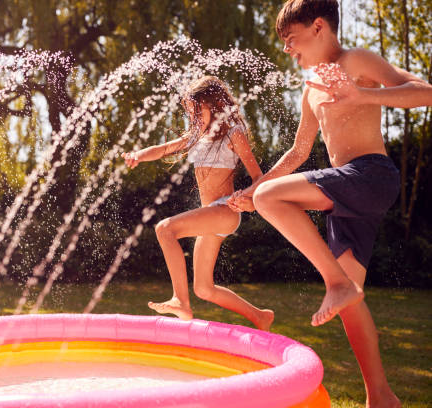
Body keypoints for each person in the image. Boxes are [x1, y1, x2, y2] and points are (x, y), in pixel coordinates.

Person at [228, 0, 432, 406]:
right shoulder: (311, 89)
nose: (287, 49)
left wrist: (362, 96)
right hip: (351, 193)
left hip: (371, 175)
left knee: (276, 202)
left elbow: (425, 93)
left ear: (318, 26)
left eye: (291, 38)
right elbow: (298, 152)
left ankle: (336, 284)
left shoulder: (355, 59)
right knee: (351, 300)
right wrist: (254, 189)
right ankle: (381, 396)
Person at [121, 76, 274, 331]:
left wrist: (245, 196)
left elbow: (259, 177)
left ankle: (180, 300)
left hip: (225, 209)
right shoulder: (198, 135)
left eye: (197, 112)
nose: (194, 119)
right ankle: (260, 316)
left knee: (165, 229)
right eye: (190, 114)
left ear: (214, 105)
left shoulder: (233, 133)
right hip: (210, 214)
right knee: (204, 288)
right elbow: (164, 148)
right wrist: (139, 155)